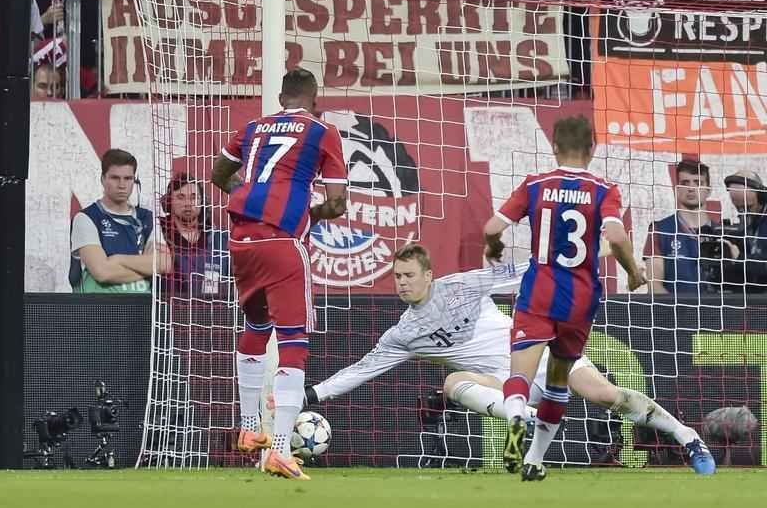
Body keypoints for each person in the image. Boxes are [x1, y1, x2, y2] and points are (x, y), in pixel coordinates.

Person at [305, 244, 716, 474]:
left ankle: (687, 437)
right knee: (451, 384)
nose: (402, 284)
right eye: (397, 277)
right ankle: (529, 420)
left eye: (409, 275)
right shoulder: (404, 333)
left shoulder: (463, 286)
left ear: (429, 275)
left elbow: (526, 270)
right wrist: (312, 395)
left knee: (607, 396)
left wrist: (600, 252)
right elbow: (362, 369)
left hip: (535, 355)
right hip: (502, 383)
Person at [481, 115, 660, 481]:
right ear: (592, 148)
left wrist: (495, 245)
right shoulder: (603, 189)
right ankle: (533, 460)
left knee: (521, 376)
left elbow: (492, 227)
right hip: (579, 299)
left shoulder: (535, 184)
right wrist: (631, 272)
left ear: (554, 146)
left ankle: (516, 414)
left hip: (539, 293)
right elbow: (619, 237)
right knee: (559, 380)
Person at [209, 67, 348, 481]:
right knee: (293, 341)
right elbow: (338, 203)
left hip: (240, 241)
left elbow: (219, 175)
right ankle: (282, 450)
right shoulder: (323, 132)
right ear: (314, 97)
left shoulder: (253, 127)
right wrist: (312, 211)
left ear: (281, 97)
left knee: (256, 325)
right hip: (283, 243)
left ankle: (250, 430)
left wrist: (248, 196)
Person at [68, 148, 166, 293]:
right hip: (98, 309)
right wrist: (147, 267)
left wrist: (118, 260)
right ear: (102, 179)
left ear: (134, 180)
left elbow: (164, 263)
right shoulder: (86, 218)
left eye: (128, 178)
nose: (122, 185)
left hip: (140, 309)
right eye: (115, 178)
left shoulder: (147, 218)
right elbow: (102, 272)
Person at [647, 159, 720, 297]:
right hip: (675, 316)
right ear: (677, 189)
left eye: (698, 183)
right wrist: (681, 315)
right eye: (685, 182)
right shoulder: (659, 230)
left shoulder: (723, 233)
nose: (691, 188)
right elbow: (654, 285)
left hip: (716, 316)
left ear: (708, 190)